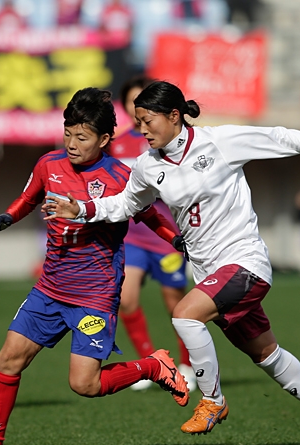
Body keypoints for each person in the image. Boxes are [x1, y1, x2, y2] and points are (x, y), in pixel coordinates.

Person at [44, 80, 300, 445]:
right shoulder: (148, 165)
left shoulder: (219, 142)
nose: (142, 129)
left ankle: (213, 400)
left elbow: (282, 137)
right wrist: (81, 210)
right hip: (210, 274)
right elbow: (124, 206)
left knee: (184, 315)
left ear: (174, 116)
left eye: (148, 120)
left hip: (245, 262)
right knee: (266, 355)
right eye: (137, 120)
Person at [0, 87, 189, 445]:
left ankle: (152, 366)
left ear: (104, 138)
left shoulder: (122, 176)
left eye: (82, 136)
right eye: (68, 134)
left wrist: (176, 239)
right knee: (9, 359)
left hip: (94, 294)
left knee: (84, 384)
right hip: (50, 288)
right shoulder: (49, 164)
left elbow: (151, 215)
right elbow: (29, 197)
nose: (72, 144)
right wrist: (8, 216)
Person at [111, 75, 196, 392]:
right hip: (132, 236)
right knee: (126, 298)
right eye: (135, 104)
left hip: (167, 236)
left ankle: (188, 364)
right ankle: (152, 364)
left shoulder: (166, 142)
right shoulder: (117, 144)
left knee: (176, 303)